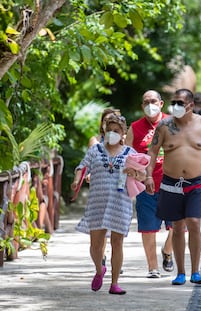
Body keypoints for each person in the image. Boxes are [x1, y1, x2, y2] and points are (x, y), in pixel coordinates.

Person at [146, 88, 201, 285]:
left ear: (191, 105)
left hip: (196, 182)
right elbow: (153, 151)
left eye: (180, 103)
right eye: (173, 102)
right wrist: (147, 175)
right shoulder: (164, 126)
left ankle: (196, 271)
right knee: (177, 226)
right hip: (171, 183)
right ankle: (181, 272)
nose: (175, 107)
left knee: (194, 222)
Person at [72, 114, 146, 295]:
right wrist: (76, 181)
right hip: (97, 203)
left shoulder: (130, 153)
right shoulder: (95, 150)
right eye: (109, 130)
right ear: (104, 131)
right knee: (96, 245)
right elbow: (82, 167)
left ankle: (115, 283)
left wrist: (134, 173)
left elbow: (142, 175)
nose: (112, 134)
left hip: (120, 203)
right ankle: (99, 270)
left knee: (117, 242)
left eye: (116, 131)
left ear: (123, 133)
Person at [125, 90, 174, 278]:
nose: (149, 105)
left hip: (172, 184)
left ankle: (167, 251)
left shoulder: (173, 124)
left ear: (161, 104)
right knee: (148, 228)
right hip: (145, 185)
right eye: (146, 102)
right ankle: (152, 268)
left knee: (178, 226)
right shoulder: (135, 127)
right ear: (141, 106)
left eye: (153, 101)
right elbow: (127, 156)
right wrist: (138, 175)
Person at [87, 107, 121, 269]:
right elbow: (88, 162)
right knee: (100, 227)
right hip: (99, 190)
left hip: (118, 191)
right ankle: (101, 255)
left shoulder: (124, 142)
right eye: (107, 121)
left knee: (116, 229)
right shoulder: (95, 142)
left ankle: (115, 260)